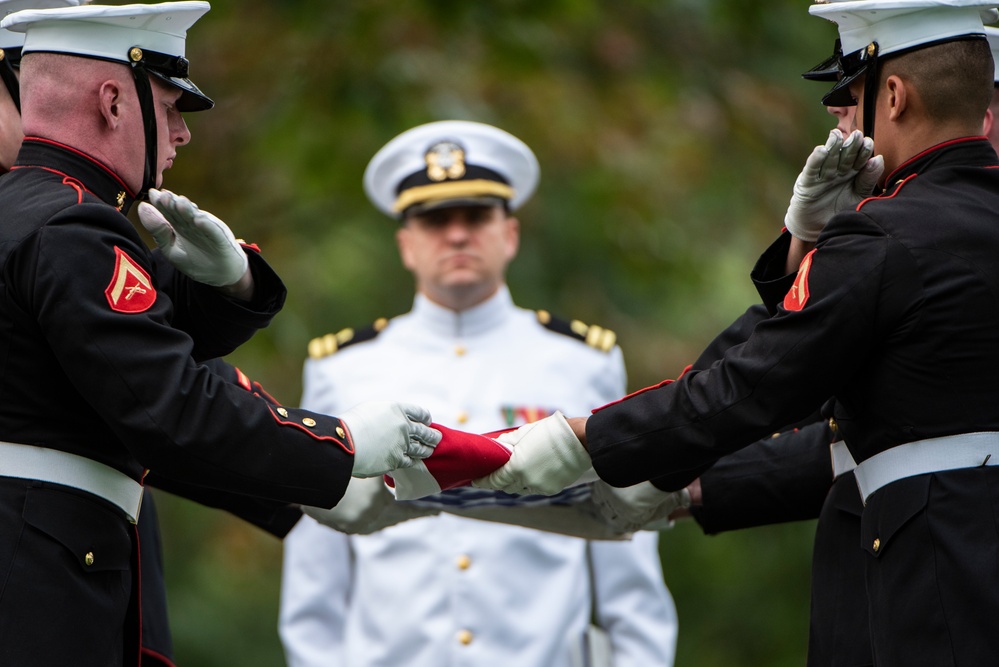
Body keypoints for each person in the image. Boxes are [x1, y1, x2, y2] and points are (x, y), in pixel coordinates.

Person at [476, 1, 999, 664]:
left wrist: (576, 439)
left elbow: (751, 384)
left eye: (856, 94)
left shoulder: (885, 236)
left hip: (928, 593)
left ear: (892, 96)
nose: (841, 120)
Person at [0, 4, 442, 666]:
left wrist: (228, 288)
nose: (181, 133)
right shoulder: (75, 228)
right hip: (38, 579)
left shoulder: (38, 213)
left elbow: (114, 357)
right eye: (172, 106)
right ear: (113, 101)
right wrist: (341, 446)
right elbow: (167, 405)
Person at [279, 120, 678, 667]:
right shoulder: (344, 366)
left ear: (510, 233)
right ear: (406, 243)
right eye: (435, 219)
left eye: (476, 217)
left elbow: (624, 541)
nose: (458, 234)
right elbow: (316, 560)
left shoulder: (583, 359)